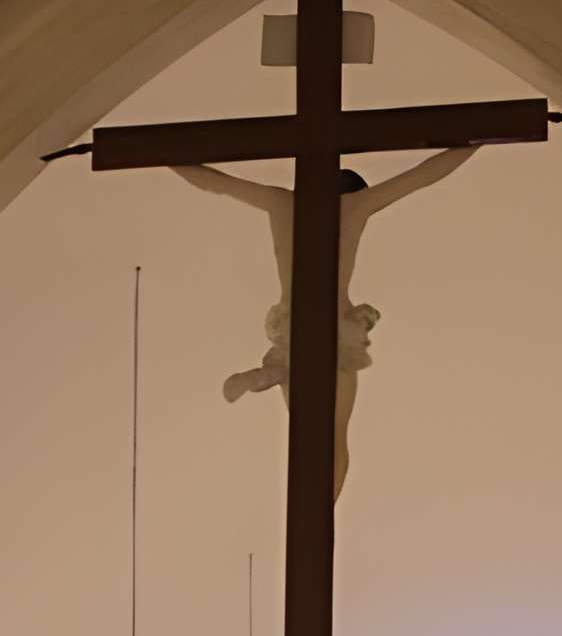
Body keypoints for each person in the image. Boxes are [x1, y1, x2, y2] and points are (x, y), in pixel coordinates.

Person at [172, 147, 482, 491]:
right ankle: (321, 502)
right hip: (334, 324)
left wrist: (166, 157)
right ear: (355, 191)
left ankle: (273, 374)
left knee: (306, 431)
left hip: (294, 323)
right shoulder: (355, 205)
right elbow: (424, 175)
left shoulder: (280, 204)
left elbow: (215, 183)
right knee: (334, 439)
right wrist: (477, 142)